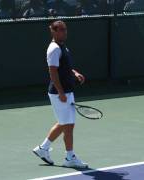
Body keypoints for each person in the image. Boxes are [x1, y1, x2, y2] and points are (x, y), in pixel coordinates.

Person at [32, 20, 88, 168]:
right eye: (61, 30)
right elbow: (53, 72)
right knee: (68, 125)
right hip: (59, 93)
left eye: (65, 29)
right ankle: (69, 158)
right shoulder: (54, 49)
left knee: (65, 124)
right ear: (54, 32)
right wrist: (61, 93)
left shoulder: (62, 47)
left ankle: (43, 149)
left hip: (66, 91)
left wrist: (75, 73)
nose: (64, 32)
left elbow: (65, 67)